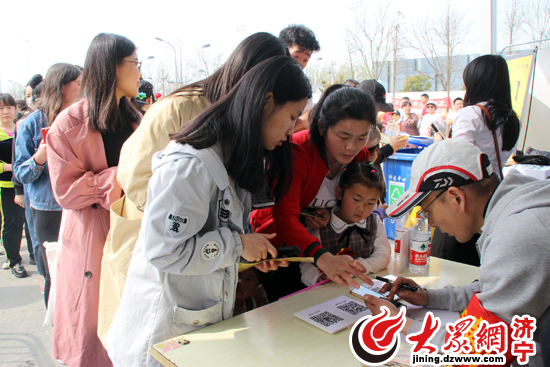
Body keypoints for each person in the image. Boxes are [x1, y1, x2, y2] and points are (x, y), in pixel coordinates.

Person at [106, 55, 309, 366]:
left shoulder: (230, 158)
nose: (292, 130)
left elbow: (207, 236)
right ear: (266, 102)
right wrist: (238, 244)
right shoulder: (191, 165)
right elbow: (164, 251)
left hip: (193, 327)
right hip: (161, 335)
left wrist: (243, 253)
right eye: (293, 116)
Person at [365, 139, 550, 362]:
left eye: (426, 210)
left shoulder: (518, 232)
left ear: (456, 199)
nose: (430, 222)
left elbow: (480, 346)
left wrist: (399, 322)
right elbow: (496, 290)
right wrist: (429, 297)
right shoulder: (517, 203)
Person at [47, 33, 142, 367]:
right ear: (112, 67)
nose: (139, 72)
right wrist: (122, 175)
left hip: (129, 232)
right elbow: (66, 190)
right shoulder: (68, 123)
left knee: (127, 323)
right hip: (91, 237)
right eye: (134, 63)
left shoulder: (135, 118)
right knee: (92, 330)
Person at [250, 84, 376, 301]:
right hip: (281, 248)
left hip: (324, 251)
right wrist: (322, 258)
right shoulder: (298, 152)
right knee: (290, 313)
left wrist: (331, 212)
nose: (351, 147)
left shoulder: (360, 156)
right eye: (343, 136)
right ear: (321, 127)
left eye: (361, 137)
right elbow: (285, 216)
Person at [432, 54, 521, 266]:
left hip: (463, 201)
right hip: (494, 198)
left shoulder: (470, 114)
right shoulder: (511, 118)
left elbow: (459, 160)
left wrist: (441, 145)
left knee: (447, 265)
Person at [14, 63, 82, 306]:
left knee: (81, 271)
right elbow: (21, 173)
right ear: (63, 86)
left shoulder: (82, 116)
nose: (82, 87)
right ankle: (58, 331)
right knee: (53, 271)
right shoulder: (31, 123)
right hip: (48, 208)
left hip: (80, 202)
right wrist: (39, 157)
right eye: (77, 83)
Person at [300, 161, 391, 286]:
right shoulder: (322, 225)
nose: (361, 208)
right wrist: (317, 276)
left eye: (370, 203)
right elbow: (306, 263)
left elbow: (383, 255)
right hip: (330, 290)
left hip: (363, 286)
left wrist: (357, 267)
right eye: (356, 200)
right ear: (339, 193)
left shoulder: (374, 222)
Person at [0, 93, 26, 278]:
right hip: (6, 186)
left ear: (16, 109)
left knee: (28, 222)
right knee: (12, 224)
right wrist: (11, 167)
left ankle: (34, 256)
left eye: (9, 107)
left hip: (26, 185)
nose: (5, 112)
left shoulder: (22, 128)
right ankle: (14, 261)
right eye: (1, 108)